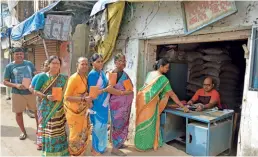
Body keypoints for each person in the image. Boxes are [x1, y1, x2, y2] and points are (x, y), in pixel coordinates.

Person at [134, 58, 189, 151]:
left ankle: (139, 144)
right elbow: (171, 94)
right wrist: (182, 106)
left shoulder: (150, 74)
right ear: (161, 67)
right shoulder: (163, 79)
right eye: (167, 67)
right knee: (149, 124)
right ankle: (144, 145)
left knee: (141, 122)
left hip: (142, 100)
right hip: (151, 104)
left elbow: (147, 88)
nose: (168, 69)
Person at [34, 56, 69, 156]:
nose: (55, 65)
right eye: (53, 63)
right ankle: (49, 153)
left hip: (59, 109)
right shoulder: (42, 77)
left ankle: (61, 152)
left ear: (60, 66)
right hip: (47, 108)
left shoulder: (63, 78)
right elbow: (35, 91)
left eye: (57, 63)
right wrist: (46, 96)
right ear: (49, 64)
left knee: (60, 131)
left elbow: (66, 93)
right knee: (50, 131)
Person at [3, 47, 37, 140]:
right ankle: (23, 132)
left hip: (31, 92)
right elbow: (5, 82)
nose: (19, 56)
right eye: (17, 54)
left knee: (37, 112)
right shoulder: (9, 67)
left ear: (23, 55)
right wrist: (16, 85)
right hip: (17, 93)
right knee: (18, 113)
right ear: (13, 55)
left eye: (21, 54)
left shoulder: (29, 64)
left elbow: (36, 75)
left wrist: (33, 85)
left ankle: (39, 131)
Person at [64, 57, 93, 156]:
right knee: (75, 135)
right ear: (77, 65)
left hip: (82, 111)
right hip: (74, 112)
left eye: (86, 64)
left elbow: (83, 93)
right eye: (82, 64)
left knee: (82, 133)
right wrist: (83, 99)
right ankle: (73, 154)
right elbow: (67, 97)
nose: (84, 66)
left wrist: (87, 99)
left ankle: (80, 153)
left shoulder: (85, 77)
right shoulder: (74, 78)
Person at [109, 53, 134, 156]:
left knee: (123, 124)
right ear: (115, 62)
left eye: (124, 60)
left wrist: (128, 92)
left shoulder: (124, 73)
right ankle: (114, 148)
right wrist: (123, 93)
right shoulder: (114, 73)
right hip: (117, 105)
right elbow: (110, 89)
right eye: (120, 61)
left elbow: (129, 88)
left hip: (124, 106)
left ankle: (119, 143)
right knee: (117, 125)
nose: (123, 63)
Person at [29, 60, 49, 150]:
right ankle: (40, 142)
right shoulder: (38, 76)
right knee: (41, 122)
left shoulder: (56, 77)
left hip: (54, 103)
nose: (48, 67)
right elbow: (31, 88)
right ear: (43, 66)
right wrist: (40, 94)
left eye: (50, 65)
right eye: (46, 65)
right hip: (41, 102)